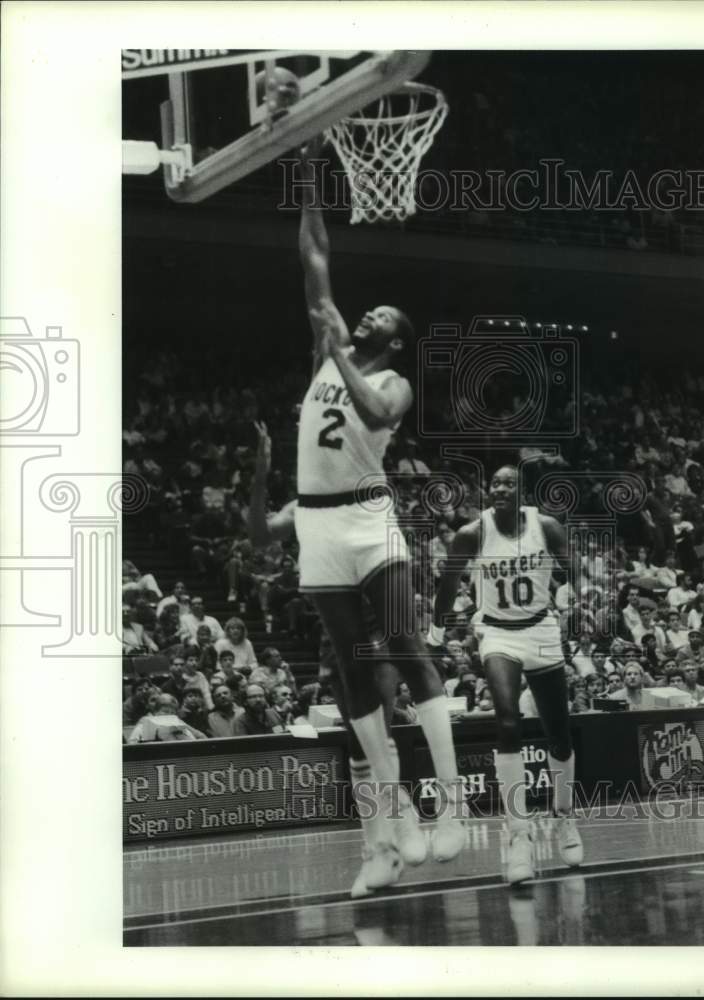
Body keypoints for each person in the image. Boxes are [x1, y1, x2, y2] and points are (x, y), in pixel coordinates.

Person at [292, 143, 466, 890]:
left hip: (370, 522)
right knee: (347, 665)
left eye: (382, 315)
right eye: (369, 309)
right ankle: (394, 815)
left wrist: (338, 353)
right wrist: (308, 176)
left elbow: (369, 410)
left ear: (393, 339)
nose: (367, 312)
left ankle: (452, 802)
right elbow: (315, 257)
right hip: (317, 526)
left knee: (403, 642)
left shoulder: (393, 382)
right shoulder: (329, 348)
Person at [247, 419, 427, 898]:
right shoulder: (303, 508)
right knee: (356, 742)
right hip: (335, 631)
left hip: (378, 625)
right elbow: (260, 536)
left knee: (377, 730)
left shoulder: (368, 494)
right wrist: (260, 475)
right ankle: (380, 847)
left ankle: (396, 825)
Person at [432, 464, 584, 886]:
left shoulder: (546, 527)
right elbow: (448, 583)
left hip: (541, 629)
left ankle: (564, 815)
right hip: (497, 633)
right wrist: (434, 632)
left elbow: (573, 570)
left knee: (559, 733)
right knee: (507, 720)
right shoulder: (472, 534)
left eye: (508, 483)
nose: (499, 488)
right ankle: (518, 833)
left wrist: (569, 593)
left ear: (522, 492)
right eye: (495, 483)